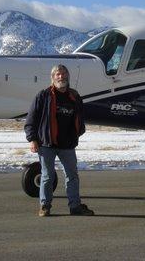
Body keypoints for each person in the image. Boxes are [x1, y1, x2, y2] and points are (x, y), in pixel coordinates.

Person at [24, 64, 94, 217]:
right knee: (47, 176)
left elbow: (80, 118)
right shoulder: (43, 96)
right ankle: (45, 206)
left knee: (72, 176)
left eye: (63, 74)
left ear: (67, 76)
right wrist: (32, 139)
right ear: (52, 78)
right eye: (57, 74)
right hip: (46, 144)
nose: (61, 77)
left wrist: (77, 133)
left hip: (67, 145)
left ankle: (75, 207)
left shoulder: (74, 96)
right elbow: (31, 119)